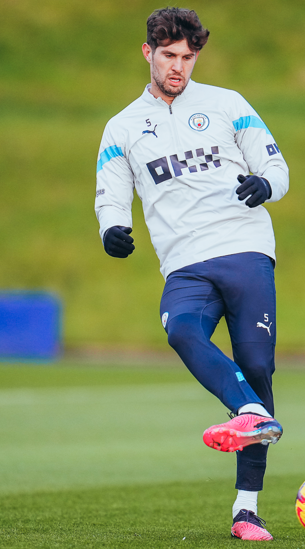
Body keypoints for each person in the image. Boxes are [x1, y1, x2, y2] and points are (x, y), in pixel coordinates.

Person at [94, 7, 289, 541]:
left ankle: (245, 510)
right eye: (169, 56)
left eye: (188, 56)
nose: (179, 66)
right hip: (183, 261)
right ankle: (248, 410)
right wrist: (112, 227)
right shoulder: (123, 127)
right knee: (180, 328)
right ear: (148, 54)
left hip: (244, 247)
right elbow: (110, 192)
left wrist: (265, 186)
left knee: (255, 362)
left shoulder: (228, 105)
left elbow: (276, 166)